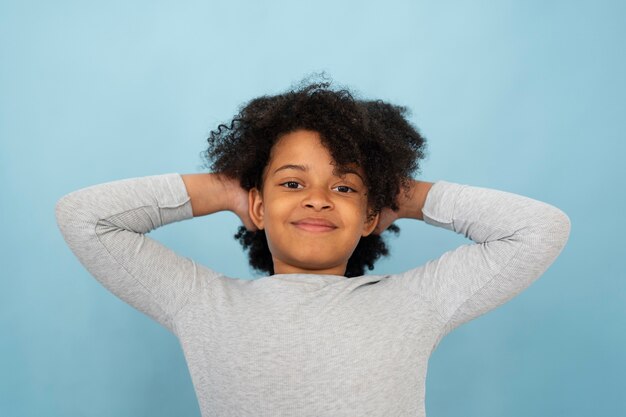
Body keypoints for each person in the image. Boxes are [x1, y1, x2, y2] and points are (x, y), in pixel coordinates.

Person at [55, 77, 571, 417]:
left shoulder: (415, 302)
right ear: (257, 207)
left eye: (344, 187)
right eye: (292, 184)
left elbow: (537, 229)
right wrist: (227, 189)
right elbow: (86, 218)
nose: (320, 200)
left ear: (371, 215)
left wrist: (401, 193)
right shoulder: (201, 303)